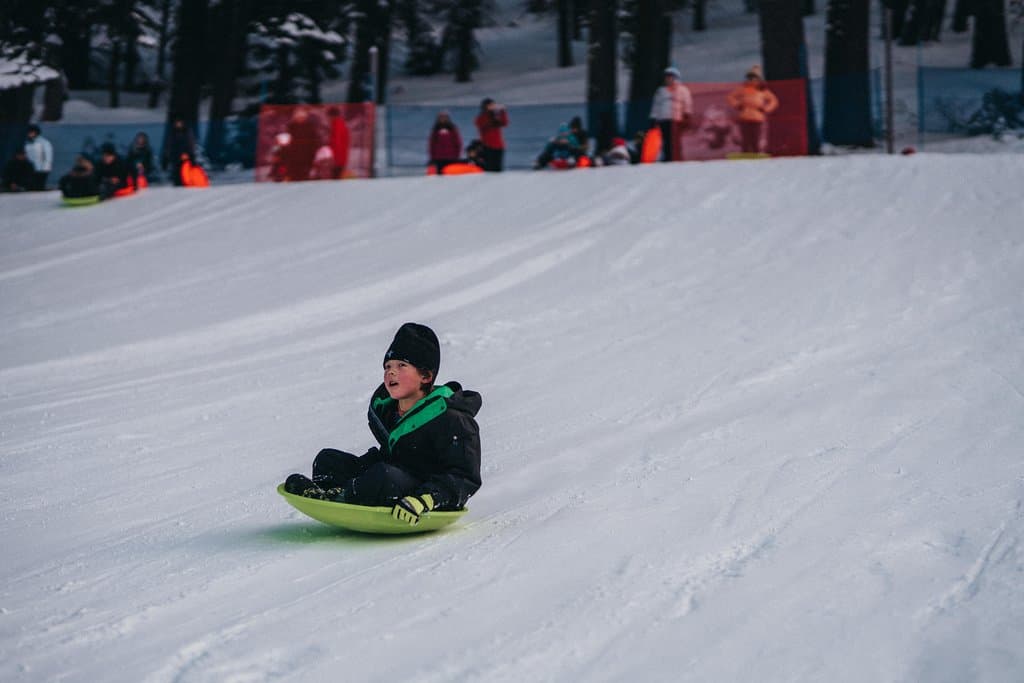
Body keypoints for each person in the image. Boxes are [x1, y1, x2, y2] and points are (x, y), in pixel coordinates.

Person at [283, 322, 482, 526]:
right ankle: (335, 492)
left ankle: (342, 496)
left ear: (426, 376)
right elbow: (391, 456)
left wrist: (427, 498)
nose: (391, 373)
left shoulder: (450, 417)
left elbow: (465, 476)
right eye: (387, 367)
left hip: (424, 497)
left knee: (383, 476)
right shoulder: (388, 412)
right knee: (328, 459)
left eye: (401, 366)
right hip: (392, 479)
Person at [727, 65, 779, 154]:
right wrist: (738, 105)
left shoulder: (762, 91)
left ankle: (756, 153)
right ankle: (745, 154)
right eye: (749, 77)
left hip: (757, 118)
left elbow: (774, 101)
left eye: (753, 77)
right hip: (744, 117)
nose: (751, 80)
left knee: (755, 138)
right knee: (745, 139)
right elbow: (730, 97)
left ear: (758, 79)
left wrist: (765, 109)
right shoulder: (742, 89)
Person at [649, 66, 693, 162]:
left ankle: (678, 157)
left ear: (676, 77)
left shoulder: (683, 90)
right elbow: (656, 105)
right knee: (666, 140)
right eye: (666, 77)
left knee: (676, 141)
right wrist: (653, 118)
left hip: (677, 120)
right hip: (664, 119)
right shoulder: (661, 91)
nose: (667, 79)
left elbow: (687, 103)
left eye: (670, 76)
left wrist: (687, 114)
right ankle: (668, 158)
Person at [284, 106, 321, 181]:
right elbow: (287, 139)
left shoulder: (310, 126)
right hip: (294, 156)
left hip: (307, 156)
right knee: (295, 175)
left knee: (305, 176)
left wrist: (314, 151)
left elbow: (315, 140)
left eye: (302, 117)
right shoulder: (291, 126)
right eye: (298, 117)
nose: (300, 119)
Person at [474, 98, 509, 172]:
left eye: (493, 105)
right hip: (488, 146)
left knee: (498, 167)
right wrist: (493, 116)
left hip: (499, 145)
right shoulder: (481, 117)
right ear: (486, 106)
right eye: (491, 105)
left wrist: (503, 112)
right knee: (489, 167)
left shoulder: (495, 116)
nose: (493, 106)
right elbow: (484, 124)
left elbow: (505, 123)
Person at [163, 117, 197, 186]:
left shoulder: (187, 132)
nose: (178, 124)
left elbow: (190, 144)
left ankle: (186, 182)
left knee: (185, 170)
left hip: (185, 155)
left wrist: (189, 154)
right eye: (177, 123)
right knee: (176, 171)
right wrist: (168, 154)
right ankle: (177, 183)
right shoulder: (172, 133)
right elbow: (169, 144)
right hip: (175, 155)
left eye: (180, 123)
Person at [428, 110, 464, 174]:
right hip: (438, 158)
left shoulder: (452, 128)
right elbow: (432, 144)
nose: (443, 119)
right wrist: (432, 156)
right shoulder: (435, 129)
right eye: (441, 117)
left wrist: (457, 155)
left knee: (451, 174)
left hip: (451, 157)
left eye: (444, 117)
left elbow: (458, 142)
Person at [24, 124, 54, 190]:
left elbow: (48, 157)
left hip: (41, 170)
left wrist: (45, 169)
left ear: (36, 132)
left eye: (31, 132)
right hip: (30, 169)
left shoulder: (44, 142)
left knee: (39, 187)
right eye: (28, 132)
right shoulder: (27, 143)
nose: (29, 134)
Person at [326, 106, 350, 179]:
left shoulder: (337, 124)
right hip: (339, 157)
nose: (328, 119)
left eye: (329, 116)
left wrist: (334, 159)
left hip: (338, 158)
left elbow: (337, 142)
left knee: (335, 179)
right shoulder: (339, 124)